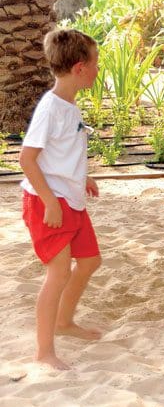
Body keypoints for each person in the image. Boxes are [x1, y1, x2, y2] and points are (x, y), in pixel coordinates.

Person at [18, 28, 103, 371]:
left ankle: (64, 323)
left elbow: (62, 152)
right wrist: (50, 201)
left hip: (71, 196)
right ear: (80, 68)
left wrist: (83, 177)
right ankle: (44, 351)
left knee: (90, 261)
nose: (99, 69)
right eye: (96, 63)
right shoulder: (50, 108)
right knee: (59, 272)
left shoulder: (69, 105)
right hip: (47, 203)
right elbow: (27, 158)